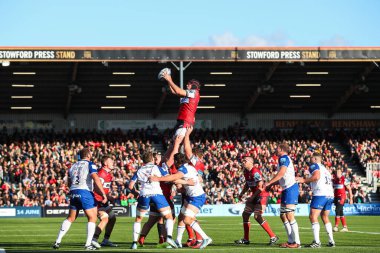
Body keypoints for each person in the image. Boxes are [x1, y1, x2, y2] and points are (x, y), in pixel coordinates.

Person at [150, 153, 212, 249]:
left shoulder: (184, 169)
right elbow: (184, 180)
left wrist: (158, 178)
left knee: (187, 219)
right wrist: (184, 184)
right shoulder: (189, 167)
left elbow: (174, 178)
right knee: (181, 217)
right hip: (190, 196)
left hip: (197, 197)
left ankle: (205, 238)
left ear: (177, 161)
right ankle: (178, 241)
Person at [53, 148, 108, 250]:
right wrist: (103, 194)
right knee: (92, 218)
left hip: (73, 192)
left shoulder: (73, 166)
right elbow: (96, 179)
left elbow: (69, 183)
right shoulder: (90, 164)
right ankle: (88, 244)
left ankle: (57, 241)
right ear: (88, 155)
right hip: (85, 191)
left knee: (70, 218)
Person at [128, 151, 177, 250]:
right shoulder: (156, 167)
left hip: (144, 195)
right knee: (168, 216)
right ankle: (169, 238)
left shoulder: (139, 170)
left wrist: (137, 192)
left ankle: (134, 243)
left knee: (138, 219)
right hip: (156, 194)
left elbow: (130, 186)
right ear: (152, 159)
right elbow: (167, 178)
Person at [235, 156, 279, 246]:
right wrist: (241, 194)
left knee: (257, 216)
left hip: (262, 195)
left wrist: (251, 197)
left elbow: (261, 187)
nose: (243, 162)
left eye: (245, 160)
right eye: (242, 160)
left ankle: (273, 236)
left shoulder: (255, 172)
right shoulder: (246, 172)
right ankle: (246, 239)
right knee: (245, 215)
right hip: (255, 195)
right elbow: (247, 184)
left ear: (251, 162)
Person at [296, 152, 335, 248]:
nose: (310, 159)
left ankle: (317, 242)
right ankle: (331, 241)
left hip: (320, 194)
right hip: (329, 194)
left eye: (311, 158)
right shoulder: (326, 169)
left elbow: (316, 177)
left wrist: (304, 180)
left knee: (313, 216)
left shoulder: (314, 165)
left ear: (315, 159)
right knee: (325, 217)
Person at [265, 142, 301, 248]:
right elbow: (282, 176)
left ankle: (297, 242)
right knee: (283, 215)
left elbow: (281, 173)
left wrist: (269, 182)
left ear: (281, 149)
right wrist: (272, 184)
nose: (275, 150)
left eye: (277, 148)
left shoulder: (283, 158)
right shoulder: (283, 159)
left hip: (290, 188)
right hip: (286, 189)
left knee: (289, 215)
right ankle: (290, 241)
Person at [161, 71, 201, 160]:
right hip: (182, 121)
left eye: (189, 84)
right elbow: (174, 91)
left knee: (176, 146)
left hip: (185, 122)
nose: (187, 85)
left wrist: (170, 79)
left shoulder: (194, 92)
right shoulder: (190, 94)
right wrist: (168, 81)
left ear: (194, 86)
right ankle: (163, 164)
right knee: (173, 146)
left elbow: (178, 91)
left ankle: (168, 167)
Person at [183, 126, 205, 248]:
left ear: (196, 155)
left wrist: (187, 135)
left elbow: (187, 149)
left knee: (188, 217)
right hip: (191, 191)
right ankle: (192, 238)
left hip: (193, 192)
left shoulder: (196, 162)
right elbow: (200, 179)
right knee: (185, 216)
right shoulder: (200, 165)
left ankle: (200, 239)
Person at [91, 155, 118, 248]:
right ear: (105, 163)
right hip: (96, 201)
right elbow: (95, 188)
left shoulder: (108, 174)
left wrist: (109, 197)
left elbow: (104, 189)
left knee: (112, 218)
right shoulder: (101, 173)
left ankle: (105, 240)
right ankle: (93, 240)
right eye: (111, 161)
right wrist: (103, 196)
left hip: (103, 200)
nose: (113, 163)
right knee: (105, 218)